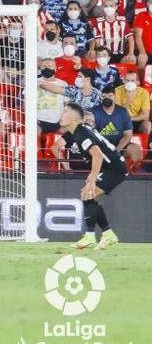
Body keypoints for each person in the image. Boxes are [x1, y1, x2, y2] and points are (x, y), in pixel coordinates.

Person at [54, 103, 125, 249]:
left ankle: (92, 236)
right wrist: (93, 175)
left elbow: (98, 155)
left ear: (74, 118)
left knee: (88, 194)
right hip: (110, 167)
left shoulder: (81, 133)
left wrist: (92, 179)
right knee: (90, 197)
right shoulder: (80, 131)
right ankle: (106, 234)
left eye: (65, 113)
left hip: (114, 168)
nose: (61, 116)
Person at [38, 57, 66, 134]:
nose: (47, 68)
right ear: (40, 69)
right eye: (44, 67)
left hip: (57, 122)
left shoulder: (63, 84)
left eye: (50, 66)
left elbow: (67, 104)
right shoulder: (34, 82)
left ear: (55, 68)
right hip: (38, 121)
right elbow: (26, 102)